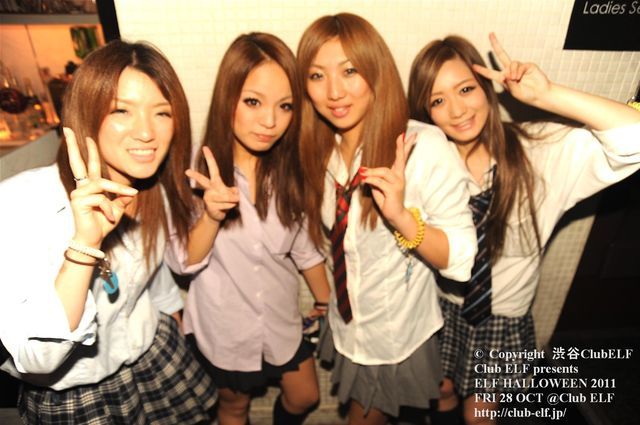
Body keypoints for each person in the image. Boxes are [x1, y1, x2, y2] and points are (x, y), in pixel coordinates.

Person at [407, 33, 640, 425]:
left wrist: (548, 95)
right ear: (425, 111)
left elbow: (634, 139)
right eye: (438, 100)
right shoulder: (421, 163)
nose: (457, 110)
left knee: (479, 415)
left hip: (503, 320)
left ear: (486, 87)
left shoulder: (539, 152)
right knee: (440, 392)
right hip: (439, 307)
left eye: (466, 89)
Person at [0, 40, 216, 424]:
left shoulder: (153, 190)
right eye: (122, 110)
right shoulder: (19, 203)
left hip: (153, 353)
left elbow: (154, 277)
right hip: (76, 390)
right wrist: (85, 246)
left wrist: (175, 317)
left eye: (161, 112)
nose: (146, 132)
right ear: (87, 111)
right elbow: (38, 359)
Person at [296, 13, 477, 425]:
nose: (334, 91)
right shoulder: (319, 148)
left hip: (393, 334)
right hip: (345, 321)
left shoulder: (422, 146)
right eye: (317, 75)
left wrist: (399, 216)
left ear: (375, 70)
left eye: (349, 71)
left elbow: (461, 259)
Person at [170, 32, 331, 425]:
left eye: (285, 106)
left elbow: (304, 249)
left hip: (280, 321)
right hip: (226, 329)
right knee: (234, 408)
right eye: (253, 102)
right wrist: (211, 215)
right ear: (228, 98)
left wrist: (328, 302)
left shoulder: (292, 171)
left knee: (305, 396)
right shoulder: (196, 169)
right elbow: (182, 261)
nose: (270, 121)